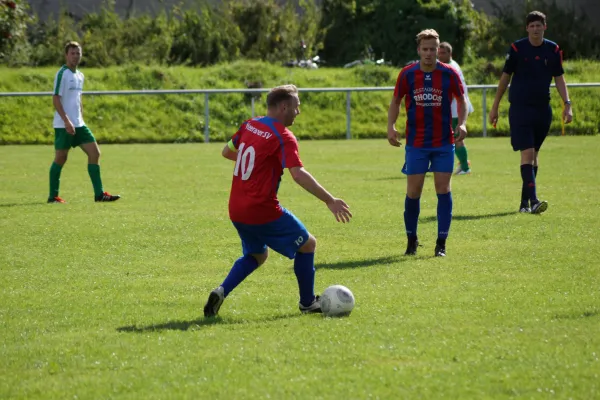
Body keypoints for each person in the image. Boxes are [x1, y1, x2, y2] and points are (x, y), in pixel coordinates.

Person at [203, 84, 352, 317]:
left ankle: (221, 290)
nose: (298, 112)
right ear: (284, 107)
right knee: (308, 244)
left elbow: (227, 151)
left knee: (257, 256)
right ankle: (307, 302)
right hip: (262, 209)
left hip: (236, 208)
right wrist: (329, 200)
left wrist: (258, 166)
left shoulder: (250, 124)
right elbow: (298, 174)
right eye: (296, 107)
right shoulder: (284, 136)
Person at [387, 29, 468, 257]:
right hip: (417, 143)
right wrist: (391, 126)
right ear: (418, 50)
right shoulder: (407, 74)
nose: (429, 53)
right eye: (425, 49)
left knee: (443, 189)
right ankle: (411, 240)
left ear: (439, 50)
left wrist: (462, 123)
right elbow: (396, 101)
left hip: (443, 142)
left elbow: (461, 102)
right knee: (414, 192)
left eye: (433, 49)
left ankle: (441, 243)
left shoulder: (449, 74)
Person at [489, 11, 572, 214]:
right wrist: (495, 105)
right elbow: (505, 77)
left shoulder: (553, 50)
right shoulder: (517, 48)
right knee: (527, 153)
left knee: (534, 156)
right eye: (532, 26)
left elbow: (559, 78)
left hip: (543, 109)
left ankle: (523, 203)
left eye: (539, 25)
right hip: (520, 109)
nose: (535, 29)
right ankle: (534, 201)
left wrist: (567, 104)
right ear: (527, 28)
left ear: (545, 27)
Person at [48, 41, 120, 204]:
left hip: (79, 125)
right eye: (72, 53)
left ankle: (99, 194)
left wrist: (80, 116)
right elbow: (55, 98)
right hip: (63, 125)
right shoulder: (62, 74)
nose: (75, 56)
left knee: (95, 153)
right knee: (61, 158)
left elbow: (78, 98)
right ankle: (53, 197)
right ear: (66, 55)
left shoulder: (80, 75)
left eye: (78, 53)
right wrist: (66, 121)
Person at [437, 42, 475, 175]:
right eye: (439, 52)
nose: (440, 55)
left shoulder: (451, 68)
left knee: (456, 138)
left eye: (443, 53)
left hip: (455, 110)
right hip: (455, 108)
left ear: (450, 54)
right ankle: (463, 164)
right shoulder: (447, 66)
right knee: (453, 138)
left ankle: (465, 167)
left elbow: (454, 92)